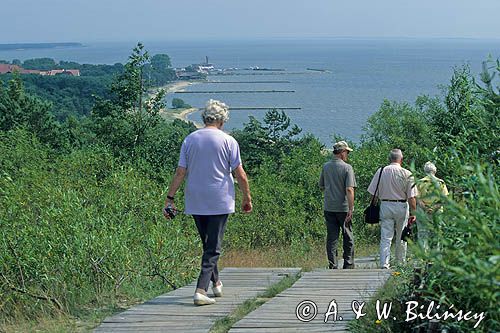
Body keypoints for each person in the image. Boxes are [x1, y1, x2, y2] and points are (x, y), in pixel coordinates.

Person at [164, 99, 252, 306]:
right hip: (219, 198)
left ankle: (216, 283)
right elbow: (240, 173)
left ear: (205, 118)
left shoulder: (190, 139)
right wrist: (247, 197)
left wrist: (170, 198)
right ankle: (201, 290)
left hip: (195, 197)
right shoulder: (229, 141)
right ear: (222, 120)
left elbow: (180, 172)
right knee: (213, 247)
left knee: (207, 243)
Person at [367, 149, 418, 269]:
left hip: (385, 205)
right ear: (401, 159)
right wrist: (413, 213)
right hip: (401, 205)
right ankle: (401, 262)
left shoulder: (381, 171)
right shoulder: (407, 173)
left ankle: (384, 263)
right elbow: (411, 197)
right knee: (401, 236)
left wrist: (373, 205)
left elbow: (373, 193)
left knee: (386, 236)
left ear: (389, 159)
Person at [319, 141, 356, 269]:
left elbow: (322, 186)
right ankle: (348, 263)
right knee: (348, 236)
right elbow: (349, 189)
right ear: (342, 152)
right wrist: (351, 208)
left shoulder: (326, 166)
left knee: (332, 237)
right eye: (347, 152)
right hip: (343, 207)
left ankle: (332, 264)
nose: (347, 155)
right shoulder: (347, 168)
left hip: (329, 207)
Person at [416, 161, 449, 251]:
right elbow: (444, 199)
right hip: (437, 212)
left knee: (423, 234)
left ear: (425, 171)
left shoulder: (420, 182)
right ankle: (435, 256)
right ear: (435, 171)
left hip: (423, 212)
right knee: (436, 234)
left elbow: (417, 199)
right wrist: (434, 208)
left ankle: (424, 258)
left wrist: (426, 208)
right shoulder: (441, 183)